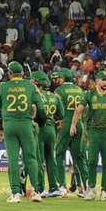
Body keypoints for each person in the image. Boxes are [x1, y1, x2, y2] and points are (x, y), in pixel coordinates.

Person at [0, 62, 43, 203]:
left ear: (10, 74)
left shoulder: (4, 86)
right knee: (30, 158)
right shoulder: (30, 86)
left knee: (13, 159)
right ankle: (36, 191)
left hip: (10, 124)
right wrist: (40, 120)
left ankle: (16, 193)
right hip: (26, 123)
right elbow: (40, 106)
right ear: (22, 73)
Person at [77, 69, 106, 200]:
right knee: (92, 161)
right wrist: (74, 125)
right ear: (97, 81)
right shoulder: (89, 95)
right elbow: (79, 109)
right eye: (103, 79)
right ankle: (91, 188)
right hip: (94, 131)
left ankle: (105, 191)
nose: (105, 82)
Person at [52, 68, 87, 196]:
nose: (57, 80)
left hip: (65, 123)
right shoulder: (80, 90)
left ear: (64, 78)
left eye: (59, 77)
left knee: (59, 155)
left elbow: (57, 108)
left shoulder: (59, 91)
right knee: (79, 157)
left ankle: (62, 185)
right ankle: (85, 186)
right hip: (79, 123)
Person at [32, 71, 62, 199]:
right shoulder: (55, 97)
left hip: (40, 127)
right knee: (51, 158)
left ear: (38, 83)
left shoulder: (36, 96)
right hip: (51, 128)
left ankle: (40, 188)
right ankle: (54, 188)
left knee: (38, 159)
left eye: (33, 80)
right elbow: (61, 115)